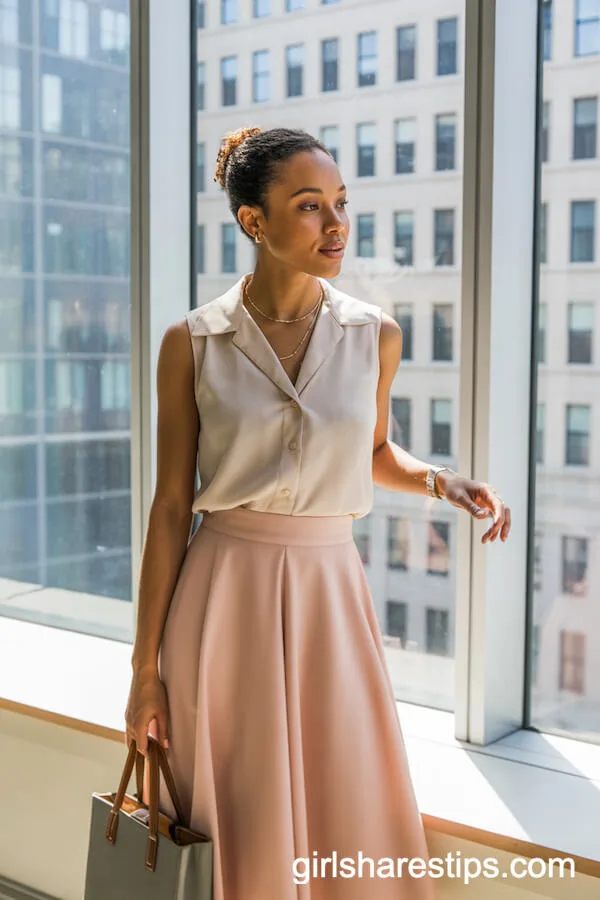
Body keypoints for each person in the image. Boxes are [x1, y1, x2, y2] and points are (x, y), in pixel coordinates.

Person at [124, 126, 511, 900]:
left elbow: (369, 453)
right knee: (236, 804)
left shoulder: (376, 335)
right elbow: (170, 507)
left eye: (340, 203)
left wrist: (441, 481)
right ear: (252, 223)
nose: (336, 224)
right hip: (222, 595)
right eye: (309, 206)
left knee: (341, 787)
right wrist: (144, 671)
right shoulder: (193, 342)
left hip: (330, 596)